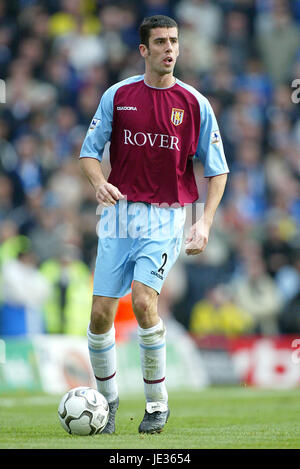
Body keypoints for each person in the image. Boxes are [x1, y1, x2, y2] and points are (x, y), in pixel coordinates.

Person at [79, 15, 229, 434]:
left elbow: (218, 170)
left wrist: (205, 223)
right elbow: (88, 152)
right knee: (99, 316)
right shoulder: (118, 96)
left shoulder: (195, 103)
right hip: (118, 215)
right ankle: (106, 403)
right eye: (160, 42)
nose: (169, 49)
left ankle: (156, 404)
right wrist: (99, 182)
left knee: (145, 301)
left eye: (174, 41)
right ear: (143, 50)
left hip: (165, 214)